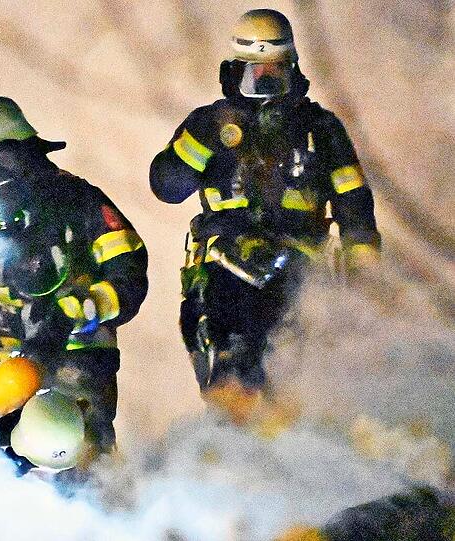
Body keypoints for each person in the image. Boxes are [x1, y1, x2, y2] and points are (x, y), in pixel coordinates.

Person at [149, 9, 380, 395]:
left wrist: (362, 269)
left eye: (274, 74)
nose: (264, 86)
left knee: (298, 370)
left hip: (298, 269)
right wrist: (209, 137)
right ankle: (232, 403)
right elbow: (168, 187)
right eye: (254, 76)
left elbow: (353, 200)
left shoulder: (320, 129)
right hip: (222, 268)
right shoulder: (209, 124)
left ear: (293, 70)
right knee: (229, 361)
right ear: (234, 73)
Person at [0, 97, 148, 471]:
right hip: (4, 368)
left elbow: (131, 274)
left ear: (28, 150)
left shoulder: (81, 202)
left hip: (78, 360)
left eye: (2, 159)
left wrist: (83, 308)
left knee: (82, 465)